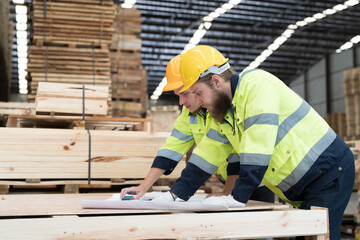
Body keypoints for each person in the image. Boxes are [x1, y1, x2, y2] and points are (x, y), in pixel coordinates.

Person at [172, 45, 354, 239]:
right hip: (304, 184)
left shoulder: (256, 85)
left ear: (216, 81)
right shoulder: (225, 114)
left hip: (328, 173)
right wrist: (176, 194)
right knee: (307, 233)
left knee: (316, 235)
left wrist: (236, 198)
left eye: (198, 93)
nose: (196, 101)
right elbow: (208, 153)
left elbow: (258, 148)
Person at [120, 54, 239, 200]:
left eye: (185, 94)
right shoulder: (189, 114)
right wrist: (143, 187)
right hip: (228, 180)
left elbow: (236, 153)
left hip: (253, 181)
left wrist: (228, 192)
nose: (181, 102)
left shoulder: (222, 108)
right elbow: (171, 149)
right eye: (178, 95)